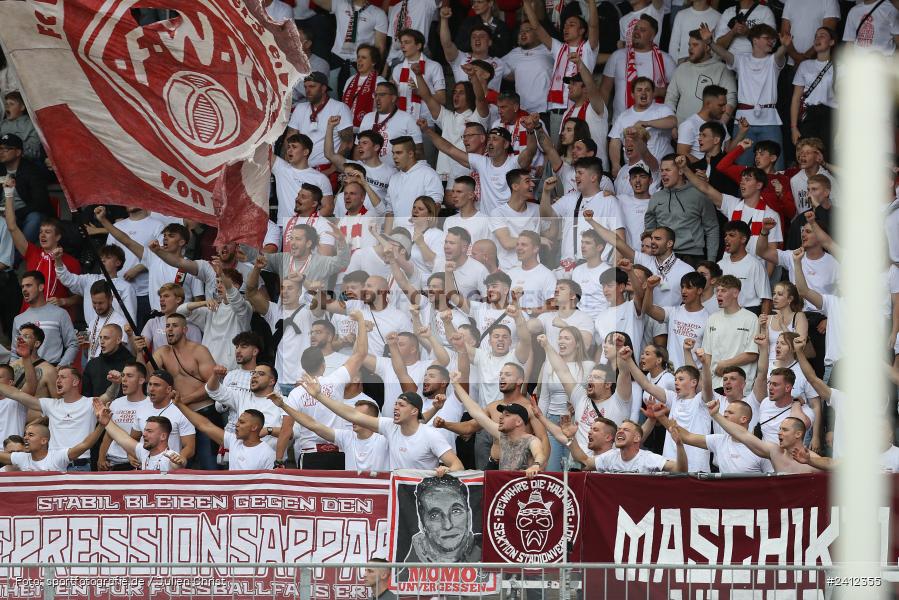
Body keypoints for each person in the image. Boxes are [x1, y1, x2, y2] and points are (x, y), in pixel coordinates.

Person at [299, 374, 464, 472]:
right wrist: (319, 396)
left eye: (401, 405)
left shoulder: (430, 435)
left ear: (414, 411)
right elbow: (352, 415)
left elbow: (458, 465)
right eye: (395, 404)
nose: (395, 408)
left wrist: (446, 471)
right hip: (398, 494)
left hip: (423, 494)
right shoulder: (390, 426)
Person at [703, 23, 790, 170]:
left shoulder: (773, 60)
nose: (771, 42)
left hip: (769, 119)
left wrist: (785, 46)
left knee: (775, 167)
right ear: (755, 40)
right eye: (767, 38)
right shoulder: (742, 60)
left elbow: (780, 53)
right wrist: (710, 42)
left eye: (773, 40)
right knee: (743, 168)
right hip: (744, 120)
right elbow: (724, 54)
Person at [96, 207, 204, 312]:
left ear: (182, 242)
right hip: (157, 318)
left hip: (183, 321)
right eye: (164, 235)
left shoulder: (192, 267)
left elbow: (199, 301)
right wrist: (103, 220)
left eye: (171, 236)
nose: (165, 238)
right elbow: (126, 240)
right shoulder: (153, 258)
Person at [522, 0, 600, 139]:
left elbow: (593, 26)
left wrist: (591, 3)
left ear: (582, 30)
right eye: (564, 26)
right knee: (557, 154)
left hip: (579, 108)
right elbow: (536, 27)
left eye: (571, 25)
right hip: (557, 111)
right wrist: (526, 3)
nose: (566, 28)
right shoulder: (558, 48)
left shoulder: (589, 48)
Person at [0, 366, 96, 471]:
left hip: (79, 465)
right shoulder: (51, 404)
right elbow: (16, 394)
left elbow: (109, 396)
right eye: (57, 377)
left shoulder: (91, 403)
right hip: (53, 464)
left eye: (63, 377)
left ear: (75, 382)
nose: (58, 380)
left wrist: (114, 385)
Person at [451, 373, 543, 475]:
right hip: (503, 484)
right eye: (502, 414)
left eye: (507, 415)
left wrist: (536, 465)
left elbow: (539, 454)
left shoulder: (531, 440)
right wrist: (455, 384)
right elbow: (476, 413)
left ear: (518, 422)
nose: (500, 417)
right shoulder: (502, 435)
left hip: (522, 486)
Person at [708, 397, 818, 474]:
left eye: (784, 430)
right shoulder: (774, 452)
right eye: (779, 429)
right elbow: (743, 434)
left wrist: (810, 462)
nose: (779, 433)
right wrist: (716, 415)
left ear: (798, 434)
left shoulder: (813, 459)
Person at [644, 154, 719, 267]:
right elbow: (650, 230)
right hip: (662, 256)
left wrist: (711, 261)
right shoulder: (656, 197)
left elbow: (712, 228)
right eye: (662, 170)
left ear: (680, 171)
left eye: (668, 170)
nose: (663, 174)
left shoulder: (698, 195)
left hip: (692, 257)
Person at [600, 15, 676, 120]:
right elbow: (605, 90)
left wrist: (659, 92)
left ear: (652, 36)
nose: (636, 32)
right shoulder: (617, 56)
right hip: (620, 124)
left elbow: (676, 93)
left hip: (653, 125)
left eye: (642, 30)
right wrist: (600, 119)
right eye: (635, 28)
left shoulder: (666, 59)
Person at [402, 475, 481, 567]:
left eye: (456, 511)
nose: (448, 525)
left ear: (469, 515)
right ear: (422, 523)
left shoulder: (488, 549)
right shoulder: (405, 563)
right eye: (434, 515)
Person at [284, 72, 354, 172]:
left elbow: (347, 143)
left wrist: (331, 170)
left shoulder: (340, 108)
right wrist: (288, 166)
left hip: (326, 168)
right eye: (305, 87)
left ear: (323, 88)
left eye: (312, 86)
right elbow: (289, 138)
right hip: (299, 168)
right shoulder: (300, 108)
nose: (307, 91)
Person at [94, 398, 185, 472]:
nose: (144, 434)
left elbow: (179, 463)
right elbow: (123, 438)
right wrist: (107, 422)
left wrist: (179, 462)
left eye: (149, 431)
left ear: (163, 436)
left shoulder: (171, 456)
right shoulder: (144, 452)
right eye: (145, 430)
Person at [11, 271, 78, 366]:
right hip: (26, 373)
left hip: (53, 369)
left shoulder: (60, 313)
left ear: (41, 287)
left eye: (29, 285)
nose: (24, 289)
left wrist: (60, 367)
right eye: (23, 286)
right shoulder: (18, 319)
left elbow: (72, 344)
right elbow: (14, 353)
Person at [0, 133, 52, 245]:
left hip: (24, 214)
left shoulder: (31, 171)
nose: (1, 152)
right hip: (2, 213)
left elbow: (41, 202)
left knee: (35, 218)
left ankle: (14, 259)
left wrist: (16, 213)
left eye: (6, 149)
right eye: (0, 148)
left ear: (18, 152)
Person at [98, 362, 150, 471]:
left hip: (138, 462)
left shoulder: (151, 404)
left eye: (129, 376)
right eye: (123, 375)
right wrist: (101, 458)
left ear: (141, 380)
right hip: (114, 461)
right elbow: (109, 434)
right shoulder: (116, 403)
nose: (124, 379)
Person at [0, 418, 103, 472]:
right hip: (29, 507)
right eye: (25, 434)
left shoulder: (57, 456)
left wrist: (102, 425)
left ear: (44, 441)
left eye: (30, 435)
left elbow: (85, 445)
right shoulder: (21, 457)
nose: (25, 438)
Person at [593, 417, 687, 473]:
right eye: (619, 429)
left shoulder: (648, 458)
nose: (619, 432)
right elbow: (585, 462)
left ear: (637, 438)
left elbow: (680, 470)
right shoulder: (611, 456)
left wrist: (679, 444)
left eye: (626, 430)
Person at [717, 220, 771, 315]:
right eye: (726, 235)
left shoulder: (755, 265)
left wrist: (762, 326)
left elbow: (766, 299)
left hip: (749, 313)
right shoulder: (719, 265)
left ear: (743, 239)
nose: (726, 238)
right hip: (723, 314)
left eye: (732, 235)